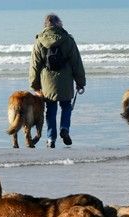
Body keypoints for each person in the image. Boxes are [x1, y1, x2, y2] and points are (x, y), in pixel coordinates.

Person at [29, 13, 85, 148]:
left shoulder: (39, 41)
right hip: (66, 79)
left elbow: (34, 64)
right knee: (66, 106)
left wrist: (34, 85)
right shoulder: (68, 39)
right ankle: (64, 129)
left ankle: (50, 138)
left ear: (45, 25)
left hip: (47, 81)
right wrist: (80, 81)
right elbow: (76, 62)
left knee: (50, 109)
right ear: (59, 23)